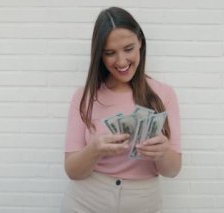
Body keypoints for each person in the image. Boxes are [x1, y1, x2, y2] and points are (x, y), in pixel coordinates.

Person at [61, 7, 182, 213]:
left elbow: (173, 170)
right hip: (86, 201)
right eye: (110, 53)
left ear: (140, 43)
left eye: (128, 49)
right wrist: (94, 149)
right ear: (100, 55)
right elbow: (72, 170)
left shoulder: (164, 94)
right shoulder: (84, 97)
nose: (121, 61)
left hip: (144, 201)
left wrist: (162, 153)